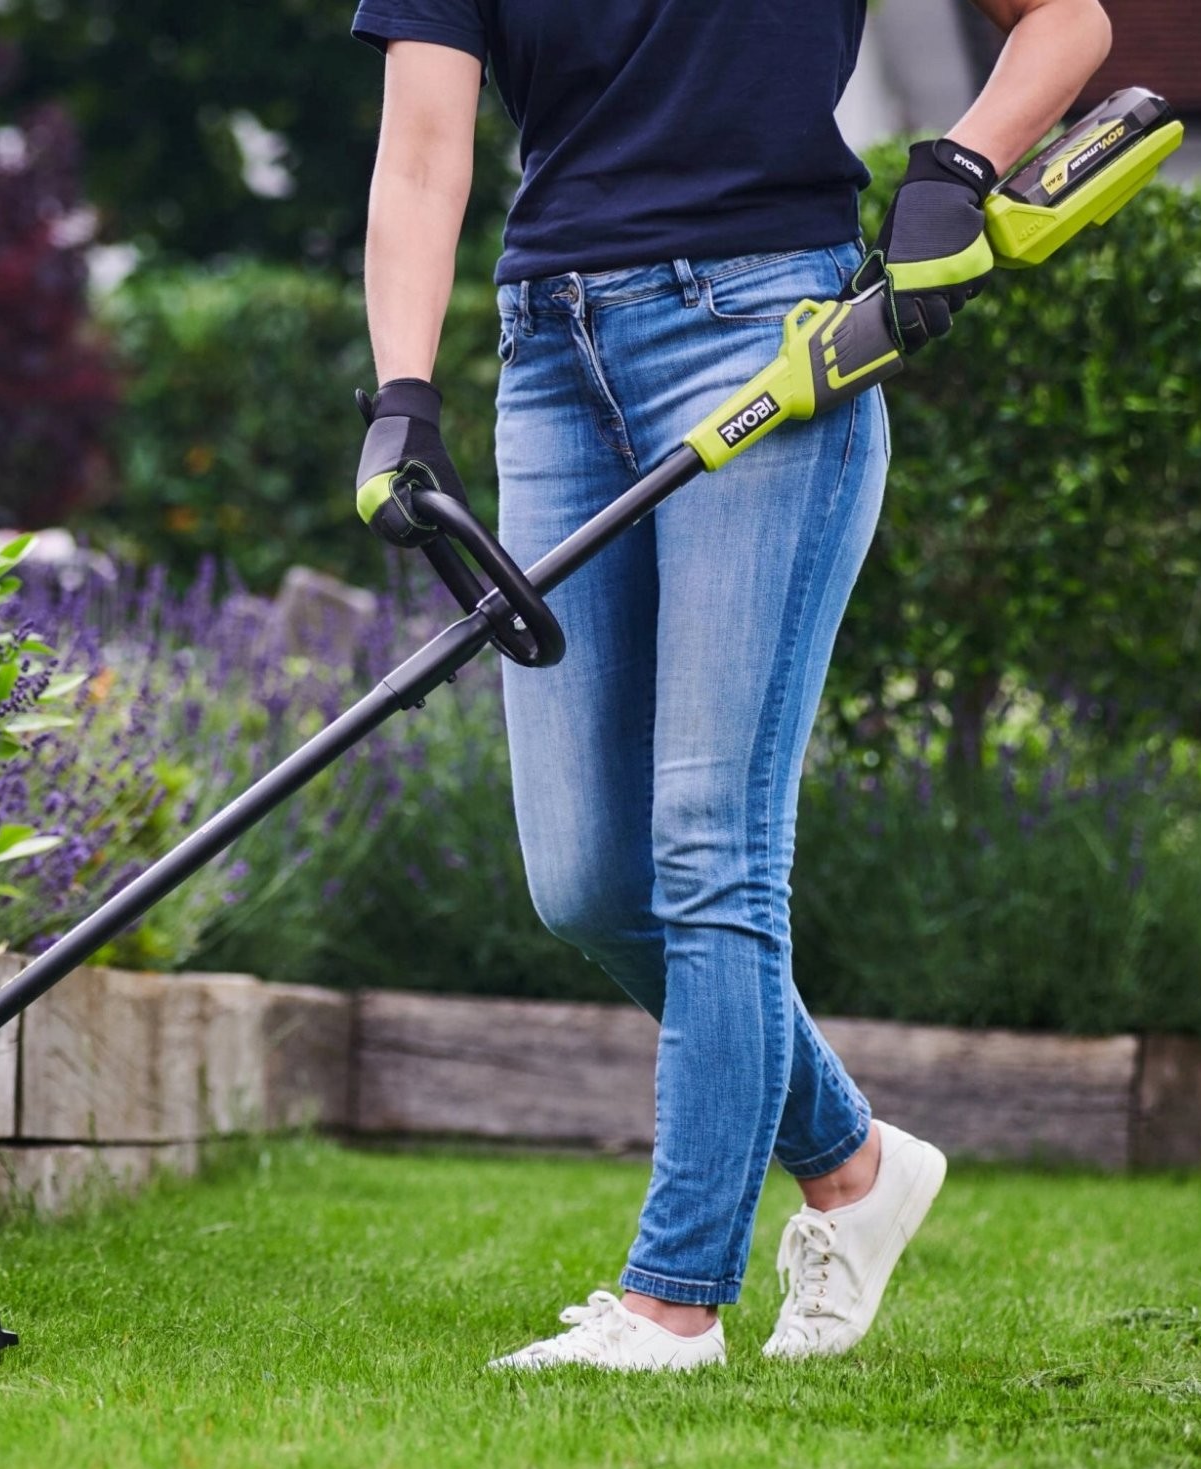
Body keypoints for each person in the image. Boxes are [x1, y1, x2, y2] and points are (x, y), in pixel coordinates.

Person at [351, 0, 1115, 1372]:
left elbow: (1067, 21)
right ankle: (853, 1162)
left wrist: (958, 168)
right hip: (552, 356)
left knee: (713, 840)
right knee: (587, 881)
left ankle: (674, 1302)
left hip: (770, 329)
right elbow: (419, 151)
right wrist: (402, 393)